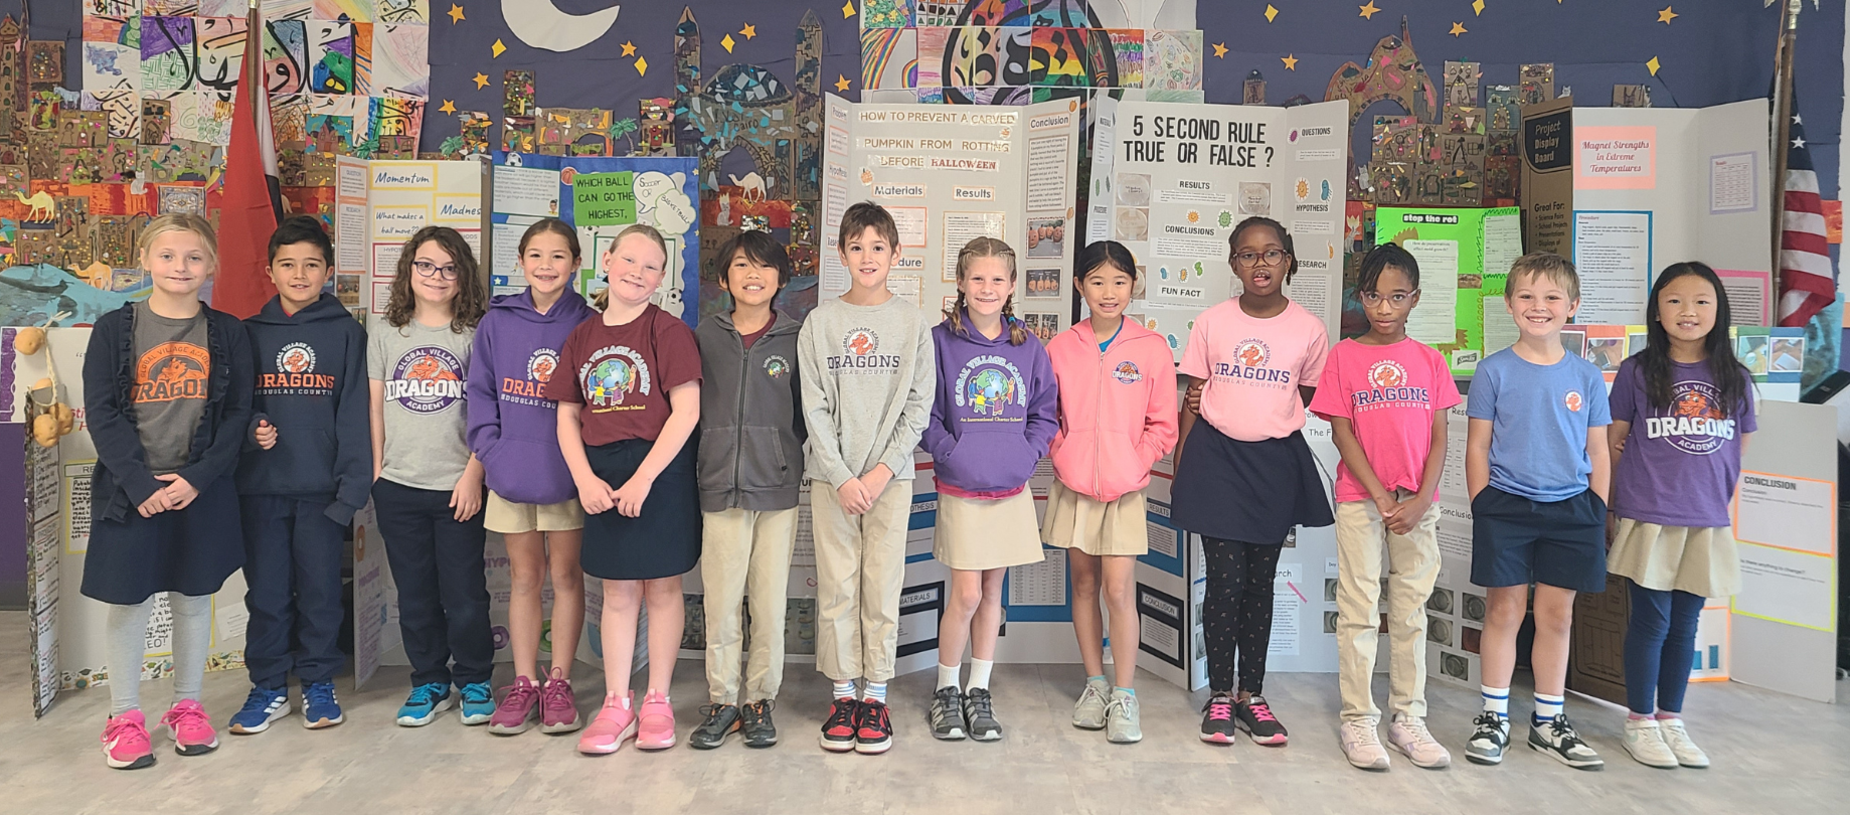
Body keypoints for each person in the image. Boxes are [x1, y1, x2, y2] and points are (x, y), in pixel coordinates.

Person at [83, 214, 254, 769]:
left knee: (191, 598)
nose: (181, 268)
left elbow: (236, 416)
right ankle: (125, 714)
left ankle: (187, 705)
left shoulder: (228, 332)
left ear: (212, 267)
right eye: (168, 256)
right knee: (130, 601)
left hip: (198, 489)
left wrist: (197, 479)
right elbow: (103, 414)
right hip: (131, 490)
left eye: (194, 258)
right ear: (146, 262)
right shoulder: (115, 329)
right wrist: (138, 483)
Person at [1174, 216, 1332, 747]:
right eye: (1247, 254)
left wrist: (1266, 421)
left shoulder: (1309, 329)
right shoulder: (1212, 322)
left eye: (1270, 253)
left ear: (1289, 259)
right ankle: (1220, 694)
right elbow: (1194, 394)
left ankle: (1253, 696)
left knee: (1261, 584)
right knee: (1225, 581)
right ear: (1233, 263)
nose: (1259, 263)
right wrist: (1182, 460)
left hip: (1273, 467)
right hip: (1216, 461)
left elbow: (1305, 397)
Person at [1307, 244, 1459, 770]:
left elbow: (1441, 437)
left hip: (1419, 505)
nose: (1385, 307)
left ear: (1415, 299)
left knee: (1412, 609)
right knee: (1359, 608)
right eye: (1374, 295)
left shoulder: (1430, 361)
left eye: (1398, 296)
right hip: (1361, 500)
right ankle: (1357, 719)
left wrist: (1419, 499)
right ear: (1360, 297)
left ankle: (1408, 717)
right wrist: (1379, 494)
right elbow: (1341, 431)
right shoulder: (1345, 357)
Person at [552, 225, 702, 755]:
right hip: (601, 469)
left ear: (662, 279)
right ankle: (617, 702)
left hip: (659, 467)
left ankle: (657, 699)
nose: (637, 273)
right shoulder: (582, 336)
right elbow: (567, 415)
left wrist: (645, 478)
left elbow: (687, 410)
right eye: (629, 260)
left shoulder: (669, 331)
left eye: (651, 266)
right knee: (616, 591)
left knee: (662, 587)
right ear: (607, 261)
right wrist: (585, 478)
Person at [1463, 252, 1611, 770]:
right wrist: (1483, 503)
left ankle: (1548, 721)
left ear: (1572, 306)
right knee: (1505, 610)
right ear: (1508, 304)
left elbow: (1598, 450)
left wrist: (1597, 505)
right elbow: (1477, 445)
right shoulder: (1492, 370)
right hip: (1505, 506)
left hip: (1572, 509)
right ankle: (1494, 716)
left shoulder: (1588, 377)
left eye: (1551, 297)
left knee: (1557, 614)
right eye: (1526, 296)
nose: (1538, 306)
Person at [1606, 262, 1754, 769]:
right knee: (1651, 619)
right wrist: (1611, 506)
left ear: (1719, 309)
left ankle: (1672, 717)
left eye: (1701, 301)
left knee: (1686, 624)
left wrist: (1716, 504)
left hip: (1706, 517)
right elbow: (1615, 442)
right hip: (1649, 513)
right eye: (1674, 301)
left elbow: (1738, 449)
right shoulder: (1638, 370)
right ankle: (1639, 722)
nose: (1687, 311)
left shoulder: (1735, 377)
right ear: (1656, 310)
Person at [799, 202, 935, 755]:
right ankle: (842, 693)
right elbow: (813, 407)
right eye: (856, 247)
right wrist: (839, 474)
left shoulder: (910, 324)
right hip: (832, 481)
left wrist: (879, 473)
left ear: (896, 253)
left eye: (878, 247)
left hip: (889, 481)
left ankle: (875, 694)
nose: (867, 257)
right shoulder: (821, 322)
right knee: (836, 586)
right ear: (841, 255)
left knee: (881, 585)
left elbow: (919, 406)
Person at [230, 216, 367, 735]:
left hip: (322, 494)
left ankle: (317, 681)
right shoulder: (247, 333)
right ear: (270, 271)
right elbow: (234, 408)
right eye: (288, 265)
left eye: (312, 265)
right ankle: (267, 686)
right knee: (265, 594)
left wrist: (350, 493)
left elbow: (355, 416)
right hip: (260, 491)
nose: (300, 274)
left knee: (321, 593)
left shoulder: (348, 334)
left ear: (328, 272)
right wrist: (251, 430)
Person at [923, 237, 1058, 742]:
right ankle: (946, 690)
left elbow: (1045, 411)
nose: (987, 288)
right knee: (965, 593)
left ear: (1012, 286)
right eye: (977, 278)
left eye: (997, 279)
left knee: (993, 594)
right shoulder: (940, 341)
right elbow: (928, 411)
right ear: (959, 282)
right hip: (961, 487)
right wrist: (950, 452)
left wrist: (1025, 455)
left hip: (1010, 486)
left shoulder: (1027, 345)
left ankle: (980, 688)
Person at [1043, 240, 1176, 744]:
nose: (1108, 292)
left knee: (1118, 590)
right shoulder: (1060, 346)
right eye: (1097, 281)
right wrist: (1064, 453)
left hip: (1124, 490)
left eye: (1119, 281)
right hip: (1075, 485)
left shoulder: (1150, 348)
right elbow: (1047, 415)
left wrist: (1134, 461)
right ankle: (1094, 684)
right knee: (1082, 586)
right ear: (1079, 286)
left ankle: (1124, 694)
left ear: (1133, 286)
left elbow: (1163, 424)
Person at [469, 218, 597, 736]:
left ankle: (559, 681)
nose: (547, 266)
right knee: (524, 578)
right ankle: (523, 682)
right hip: (509, 473)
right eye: (537, 256)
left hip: (566, 476)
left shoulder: (589, 323)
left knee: (567, 578)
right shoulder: (496, 323)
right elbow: (480, 394)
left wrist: (584, 470)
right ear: (520, 262)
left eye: (559, 256)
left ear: (577, 264)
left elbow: (595, 404)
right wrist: (491, 455)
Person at [368, 226, 495, 728]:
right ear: (409, 271)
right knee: (415, 594)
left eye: (448, 267)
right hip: (399, 485)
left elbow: (490, 411)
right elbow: (375, 406)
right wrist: (379, 471)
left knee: (464, 594)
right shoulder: (384, 331)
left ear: (463, 276)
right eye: (426, 265)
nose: (437, 276)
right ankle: (428, 681)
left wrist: (473, 475)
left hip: (458, 485)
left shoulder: (478, 331)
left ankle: (475, 678)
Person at [688, 231, 806, 750]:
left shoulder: (798, 339)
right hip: (719, 487)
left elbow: (807, 416)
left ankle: (760, 699)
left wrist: (781, 453)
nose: (752, 275)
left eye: (763, 266)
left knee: (768, 600)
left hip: (777, 488)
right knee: (721, 600)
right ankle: (722, 699)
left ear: (781, 278)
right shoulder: (703, 336)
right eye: (740, 265)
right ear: (723, 278)